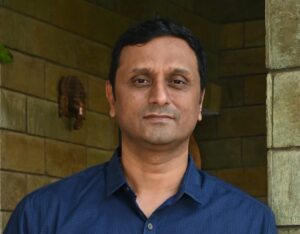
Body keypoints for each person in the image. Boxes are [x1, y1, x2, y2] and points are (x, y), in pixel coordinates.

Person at [4, 18, 277, 233]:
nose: (159, 96)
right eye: (141, 81)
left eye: (177, 81)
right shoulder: (42, 217)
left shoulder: (249, 223)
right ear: (112, 97)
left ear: (200, 102)